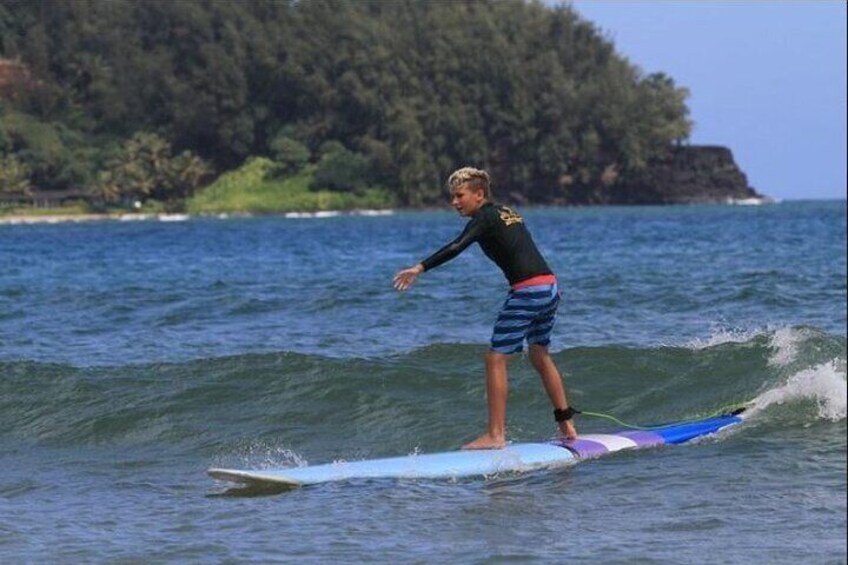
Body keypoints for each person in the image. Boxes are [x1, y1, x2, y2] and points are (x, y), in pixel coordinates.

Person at [393, 167, 578, 449]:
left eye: (459, 196)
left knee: (495, 359)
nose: (454, 202)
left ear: (479, 195)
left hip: (528, 291)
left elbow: (457, 246)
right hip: (550, 287)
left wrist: (420, 267)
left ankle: (495, 435)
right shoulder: (506, 211)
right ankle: (566, 425)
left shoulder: (484, 217)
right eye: (452, 197)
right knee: (539, 355)